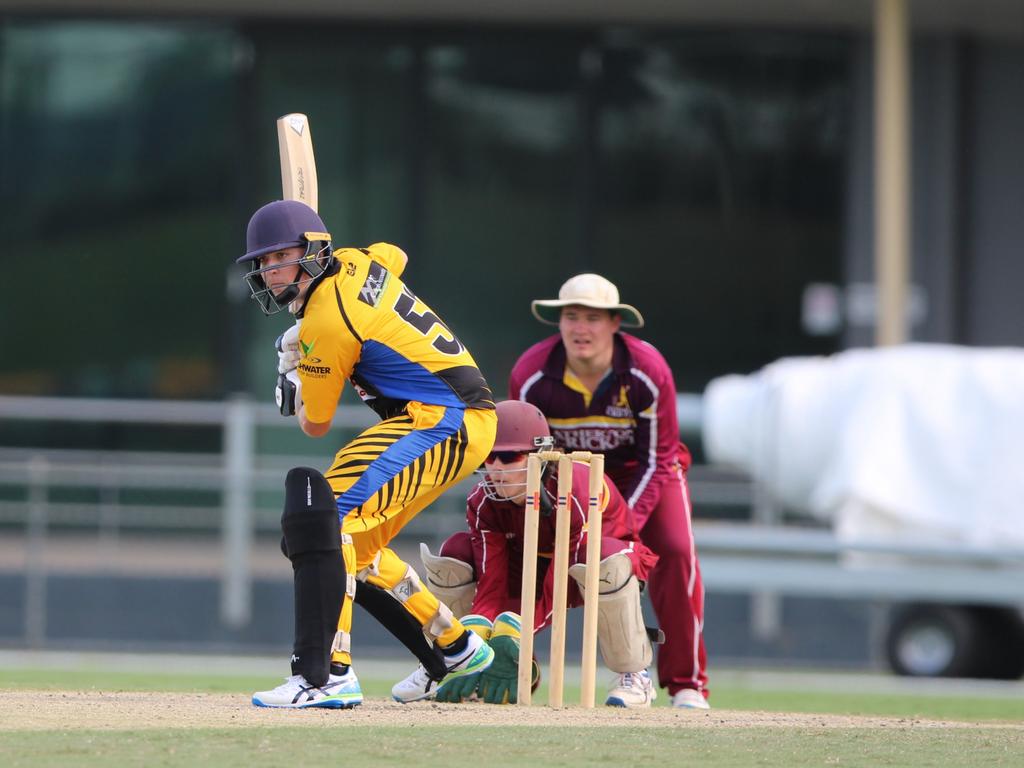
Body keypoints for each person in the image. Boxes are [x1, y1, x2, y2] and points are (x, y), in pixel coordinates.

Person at [236, 199, 498, 708]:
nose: (270, 273)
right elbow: (393, 256)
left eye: (280, 258)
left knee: (323, 523)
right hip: (447, 417)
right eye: (264, 263)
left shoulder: (327, 325)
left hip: (443, 418)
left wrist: (293, 370)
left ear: (313, 253)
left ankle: (329, 674)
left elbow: (314, 423)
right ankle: (456, 647)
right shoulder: (362, 260)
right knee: (353, 547)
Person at [508, 273, 710, 709]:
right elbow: (527, 456)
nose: (582, 328)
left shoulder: (647, 371)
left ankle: (686, 683)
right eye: (572, 317)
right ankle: (510, 668)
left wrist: (625, 527)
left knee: (674, 550)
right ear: (558, 323)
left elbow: (660, 458)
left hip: (643, 475)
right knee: (526, 555)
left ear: (615, 324)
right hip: (571, 482)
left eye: (593, 318)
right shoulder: (530, 376)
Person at [393, 399, 661, 708]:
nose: (495, 468)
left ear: (541, 456)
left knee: (601, 562)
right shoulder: (483, 500)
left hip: (589, 564)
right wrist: (476, 639)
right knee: (454, 554)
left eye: (508, 456)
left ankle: (633, 674)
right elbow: (491, 585)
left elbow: (557, 585)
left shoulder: (572, 490)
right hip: (527, 561)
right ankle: (449, 660)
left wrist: (516, 634)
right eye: (489, 457)